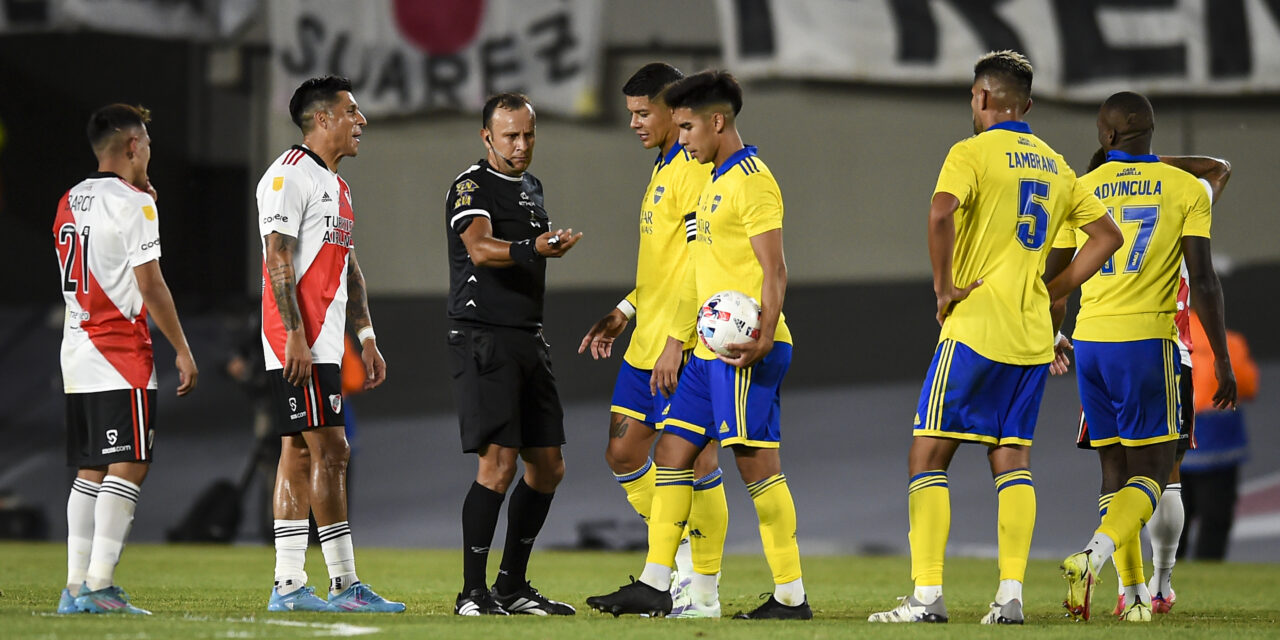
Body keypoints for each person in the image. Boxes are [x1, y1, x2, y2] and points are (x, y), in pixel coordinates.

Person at [867, 50, 1122, 625]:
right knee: (1011, 460)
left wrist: (943, 286)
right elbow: (1107, 236)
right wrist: (1052, 287)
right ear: (1026, 105)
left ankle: (927, 597)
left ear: (981, 98)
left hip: (976, 327)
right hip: (1033, 337)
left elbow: (939, 213)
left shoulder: (971, 152)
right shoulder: (1058, 166)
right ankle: (1010, 596)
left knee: (927, 454)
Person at [587, 70, 811, 620]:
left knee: (756, 467)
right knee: (672, 453)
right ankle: (659, 583)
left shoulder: (753, 181)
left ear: (717, 122)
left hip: (744, 349)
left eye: (687, 126)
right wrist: (646, 317)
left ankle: (790, 596)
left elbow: (774, 268)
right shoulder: (713, 178)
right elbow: (692, 271)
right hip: (708, 351)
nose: (682, 138)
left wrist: (761, 334)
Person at [1053, 91, 1237, 622]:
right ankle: (1098, 554)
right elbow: (1202, 279)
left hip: (1090, 343)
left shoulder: (1080, 188)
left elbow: (1056, 278)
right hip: (1150, 342)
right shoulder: (1186, 187)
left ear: (1105, 135)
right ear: (1152, 134)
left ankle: (1134, 598)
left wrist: (1050, 335)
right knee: (1156, 474)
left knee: (1114, 470)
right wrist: (1219, 360)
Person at [577, 62, 728, 618]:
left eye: (644, 114)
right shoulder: (663, 167)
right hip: (646, 337)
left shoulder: (691, 168)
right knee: (622, 452)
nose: (636, 124)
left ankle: (699, 587)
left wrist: (677, 338)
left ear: (674, 111)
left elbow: (699, 262)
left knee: (695, 461)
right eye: (631, 114)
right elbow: (662, 266)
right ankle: (681, 554)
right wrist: (624, 310)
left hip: (678, 343)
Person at [257, 75, 402, 613]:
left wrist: (366, 336)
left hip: (321, 340)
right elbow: (277, 255)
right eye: (352, 111)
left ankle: (290, 585)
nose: (360, 121)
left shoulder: (336, 185)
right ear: (323, 119)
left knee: (297, 452)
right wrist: (294, 333)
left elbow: (351, 270)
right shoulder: (287, 177)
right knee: (332, 450)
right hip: (298, 340)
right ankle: (344, 584)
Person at [56, 103, 199, 614]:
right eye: (148, 146)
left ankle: (75, 588)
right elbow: (150, 283)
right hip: (119, 350)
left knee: (90, 467)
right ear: (133, 146)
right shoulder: (134, 204)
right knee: (130, 462)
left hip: (77, 347)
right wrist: (182, 348)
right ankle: (97, 585)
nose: (151, 155)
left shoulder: (70, 199)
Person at [444, 92, 582, 616]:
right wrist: (535, 249)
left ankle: (512, 587)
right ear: (487, 137)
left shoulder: (531, 188)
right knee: (497, 465)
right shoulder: (470, 185)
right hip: (484, 336)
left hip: (528, 336)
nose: (521, 145)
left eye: (528, 135)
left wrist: (545, 247)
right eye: (510, 136)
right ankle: (471, 593)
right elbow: (478, 247)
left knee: (548, 467)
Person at [1179, 312, 1258, 560]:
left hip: (1174, 440)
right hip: (1218, 443)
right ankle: (1206, 570)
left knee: (1172, 519)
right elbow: (1248, 385)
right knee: (1215, 519)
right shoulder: (1230, 342)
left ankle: (1161, 579)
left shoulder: (1164, 341)